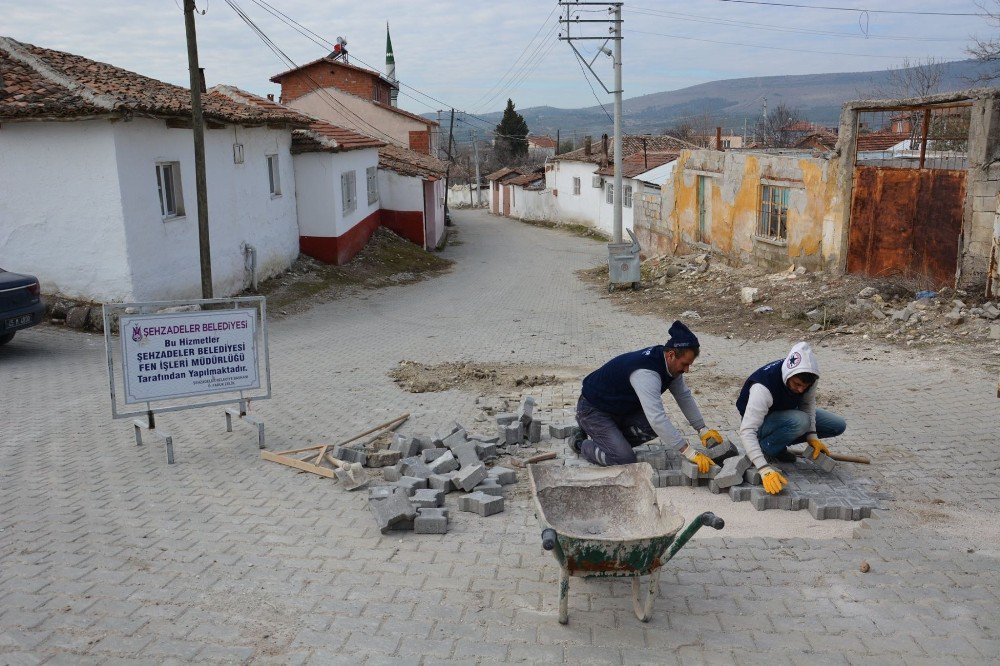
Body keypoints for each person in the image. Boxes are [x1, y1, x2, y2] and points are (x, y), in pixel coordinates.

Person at [573, 320, 724, 470]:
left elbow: (683, 396)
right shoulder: (647, 373)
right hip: (593, 410)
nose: (687, 370)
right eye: (684, 364)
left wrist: (702, 429)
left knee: (650, 428)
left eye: (689, 365)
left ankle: (611, 441)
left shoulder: (668, 364)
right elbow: (657, 419)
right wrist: (690, 453)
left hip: (619, 409)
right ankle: (580, 443)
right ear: (671, 355)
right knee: (623, 459)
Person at [736, 341, 847, 495]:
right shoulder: (763, 387)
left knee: (837, 424)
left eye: (805, 386)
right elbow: (747, 430)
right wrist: (763, 468)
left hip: (786, 415)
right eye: (797, 384)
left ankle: (777, 445)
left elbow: (807, 405)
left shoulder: (808, 379)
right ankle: (766, 448)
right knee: (800, 421)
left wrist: (812, 437)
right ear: (789, 374)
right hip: (761, 424)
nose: (801, 389)